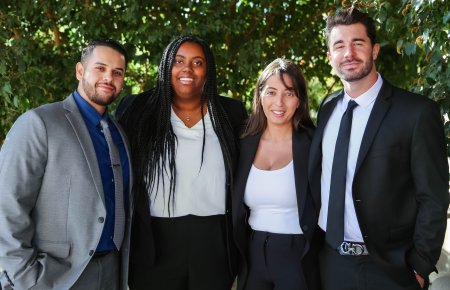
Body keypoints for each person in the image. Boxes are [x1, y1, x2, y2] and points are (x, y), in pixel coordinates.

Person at [308, 7, 449, 290]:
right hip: (331, 262)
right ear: (330, 57)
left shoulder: (416, 113)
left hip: (390, 269)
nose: (348, 53)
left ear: (374, 50)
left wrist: (420, 266)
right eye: (339, 45)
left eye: (357, 43)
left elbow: (433, 197)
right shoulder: (327, 108)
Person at [116, 34, 247, 290]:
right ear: (167, 66)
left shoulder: (231, 113)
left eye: (197, 62)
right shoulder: (138, 109)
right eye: (179, 61)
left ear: (208, 69)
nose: (187, 69)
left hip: (214, 240)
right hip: (154, 241)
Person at [0, 38, 132, 290]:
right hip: (55, 276)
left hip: (112, 274)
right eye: (100, 68)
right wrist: (25, 278)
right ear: (80, 71)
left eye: (117, 72)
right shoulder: (39, 123)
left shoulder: (119, 133)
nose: (109, 77)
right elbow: (6, 205)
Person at [232, 58, 320, 290]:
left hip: (297, 257)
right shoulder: (242, 143)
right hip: (252, 257)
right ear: (260, 96)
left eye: (288, 94)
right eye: (271, 92)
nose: (279, 102)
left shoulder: (314, 144)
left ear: (299, 99)